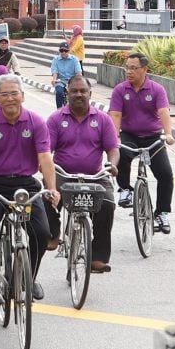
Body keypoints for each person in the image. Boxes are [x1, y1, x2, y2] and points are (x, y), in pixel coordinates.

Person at [0, 75, 58, 305]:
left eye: (14, 93)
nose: (10, 99)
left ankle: (30, 276)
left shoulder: (36, 122)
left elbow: (45, 158)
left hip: (25, 185)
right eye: (4, 94)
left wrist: (52, 189)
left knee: (40, 232)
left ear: (23, 96)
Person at [45, 75, 119, 273]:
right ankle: (53, 233)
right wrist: (46, 168)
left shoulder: (103, 119)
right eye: (74, 91)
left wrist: (112, 165)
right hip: (63, 173)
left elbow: (113, 148)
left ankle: (98, 256)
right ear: (67, 94)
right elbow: (46, 151)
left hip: (94, 175)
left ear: (90, 94)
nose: (79, 94)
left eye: (83, 91)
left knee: (108, 204)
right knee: (46, 195)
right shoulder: (55, 119)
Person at [109, 52, 175, 233]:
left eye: (134, 68)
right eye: (127, 68)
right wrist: (115, 138)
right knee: (121, 154)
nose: (129, 72)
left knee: (165, 174)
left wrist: (168, 134)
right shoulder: (120, 90)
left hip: (153, 137)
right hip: (129, 135)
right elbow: (115, 115)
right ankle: (125, 189)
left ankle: (162, 212)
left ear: (144, 69)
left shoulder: (156, 90)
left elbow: (163, 112)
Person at [50, 42, 83, 108]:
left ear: (69, 51)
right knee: (59, 92)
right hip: (61, 81)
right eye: (61, 51)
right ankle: (59, 112)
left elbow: (79, 73)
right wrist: (54, 80)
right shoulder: (55, 60)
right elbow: (55, 72)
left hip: (73, 81)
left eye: (65, 51)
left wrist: (79, 82)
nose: (64, 52)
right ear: (59, 51)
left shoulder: (74, 59)